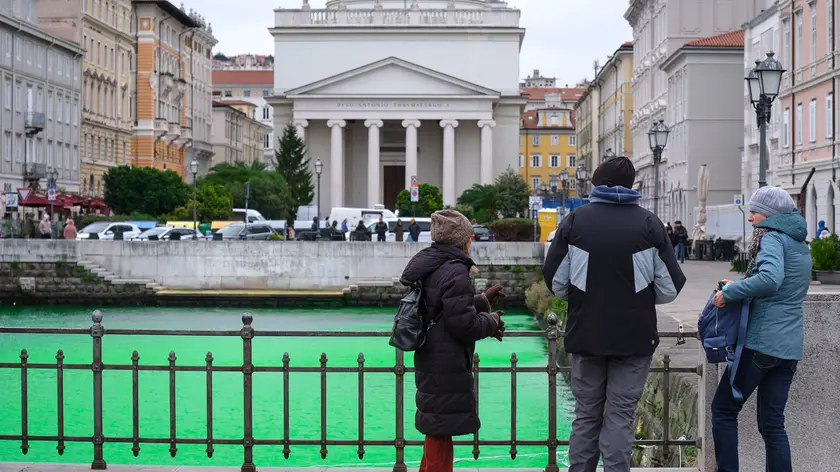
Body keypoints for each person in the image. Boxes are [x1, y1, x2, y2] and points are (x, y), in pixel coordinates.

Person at [543, 156, 686, 472]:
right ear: (631, 186)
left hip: (586, 333)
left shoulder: (575, 222)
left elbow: (556, 281)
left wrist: (583, 297)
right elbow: (670, 287)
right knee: (621, 415)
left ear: (596, 183)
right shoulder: (649, 225)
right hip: (634, 336)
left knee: (587, 414)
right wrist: (639, 297)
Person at [711, 187, 810, 472]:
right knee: (772, 424)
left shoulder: (773, 239)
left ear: (772, 215)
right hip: (789, 348)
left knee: (723, 410)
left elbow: (769, 279)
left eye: (755, 211)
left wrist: (729, 292)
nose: (750, 217)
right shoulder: (799, 243)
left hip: (761, 343)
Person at [400, 209, 506, 472]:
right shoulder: (456, 270)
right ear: (463, 239)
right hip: (446, 362)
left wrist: (482, 301)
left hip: (430, 356)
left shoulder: (431, 264)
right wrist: (491, 322)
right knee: (439, 432)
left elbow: (444, 308)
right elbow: (463, 325)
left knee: (437, 429)